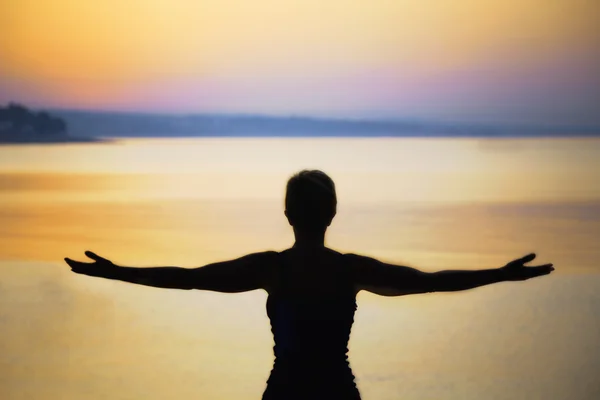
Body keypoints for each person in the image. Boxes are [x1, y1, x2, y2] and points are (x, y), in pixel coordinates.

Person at [64, 169, 554, 400]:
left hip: (286, 392)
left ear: (287, 215)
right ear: (333, 214)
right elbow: (430, 283)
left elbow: (188, 281)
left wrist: (117, 271)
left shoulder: (271, 269)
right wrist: (502, 274)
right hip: (337, 392)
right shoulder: (348, 270)